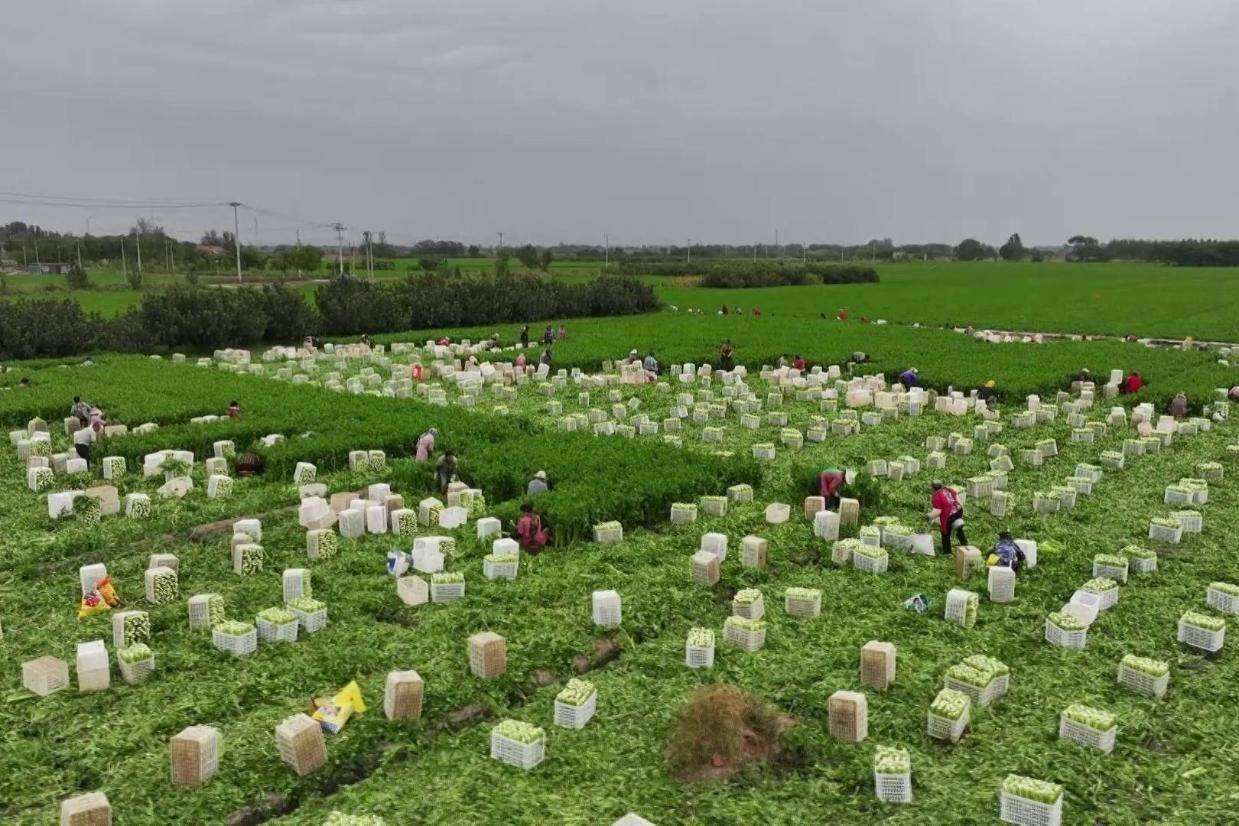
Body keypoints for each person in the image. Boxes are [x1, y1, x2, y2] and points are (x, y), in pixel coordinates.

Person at [930, 481, 968, 556]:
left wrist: (929, 516)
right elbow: (957, 498)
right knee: (958, 526)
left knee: (945, 533)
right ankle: (964, 542)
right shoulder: (947, 489)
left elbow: (938, 511)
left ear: (933, 488)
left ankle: (947, 552)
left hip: (949, 516)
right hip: (958, 511)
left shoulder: (936, 496)